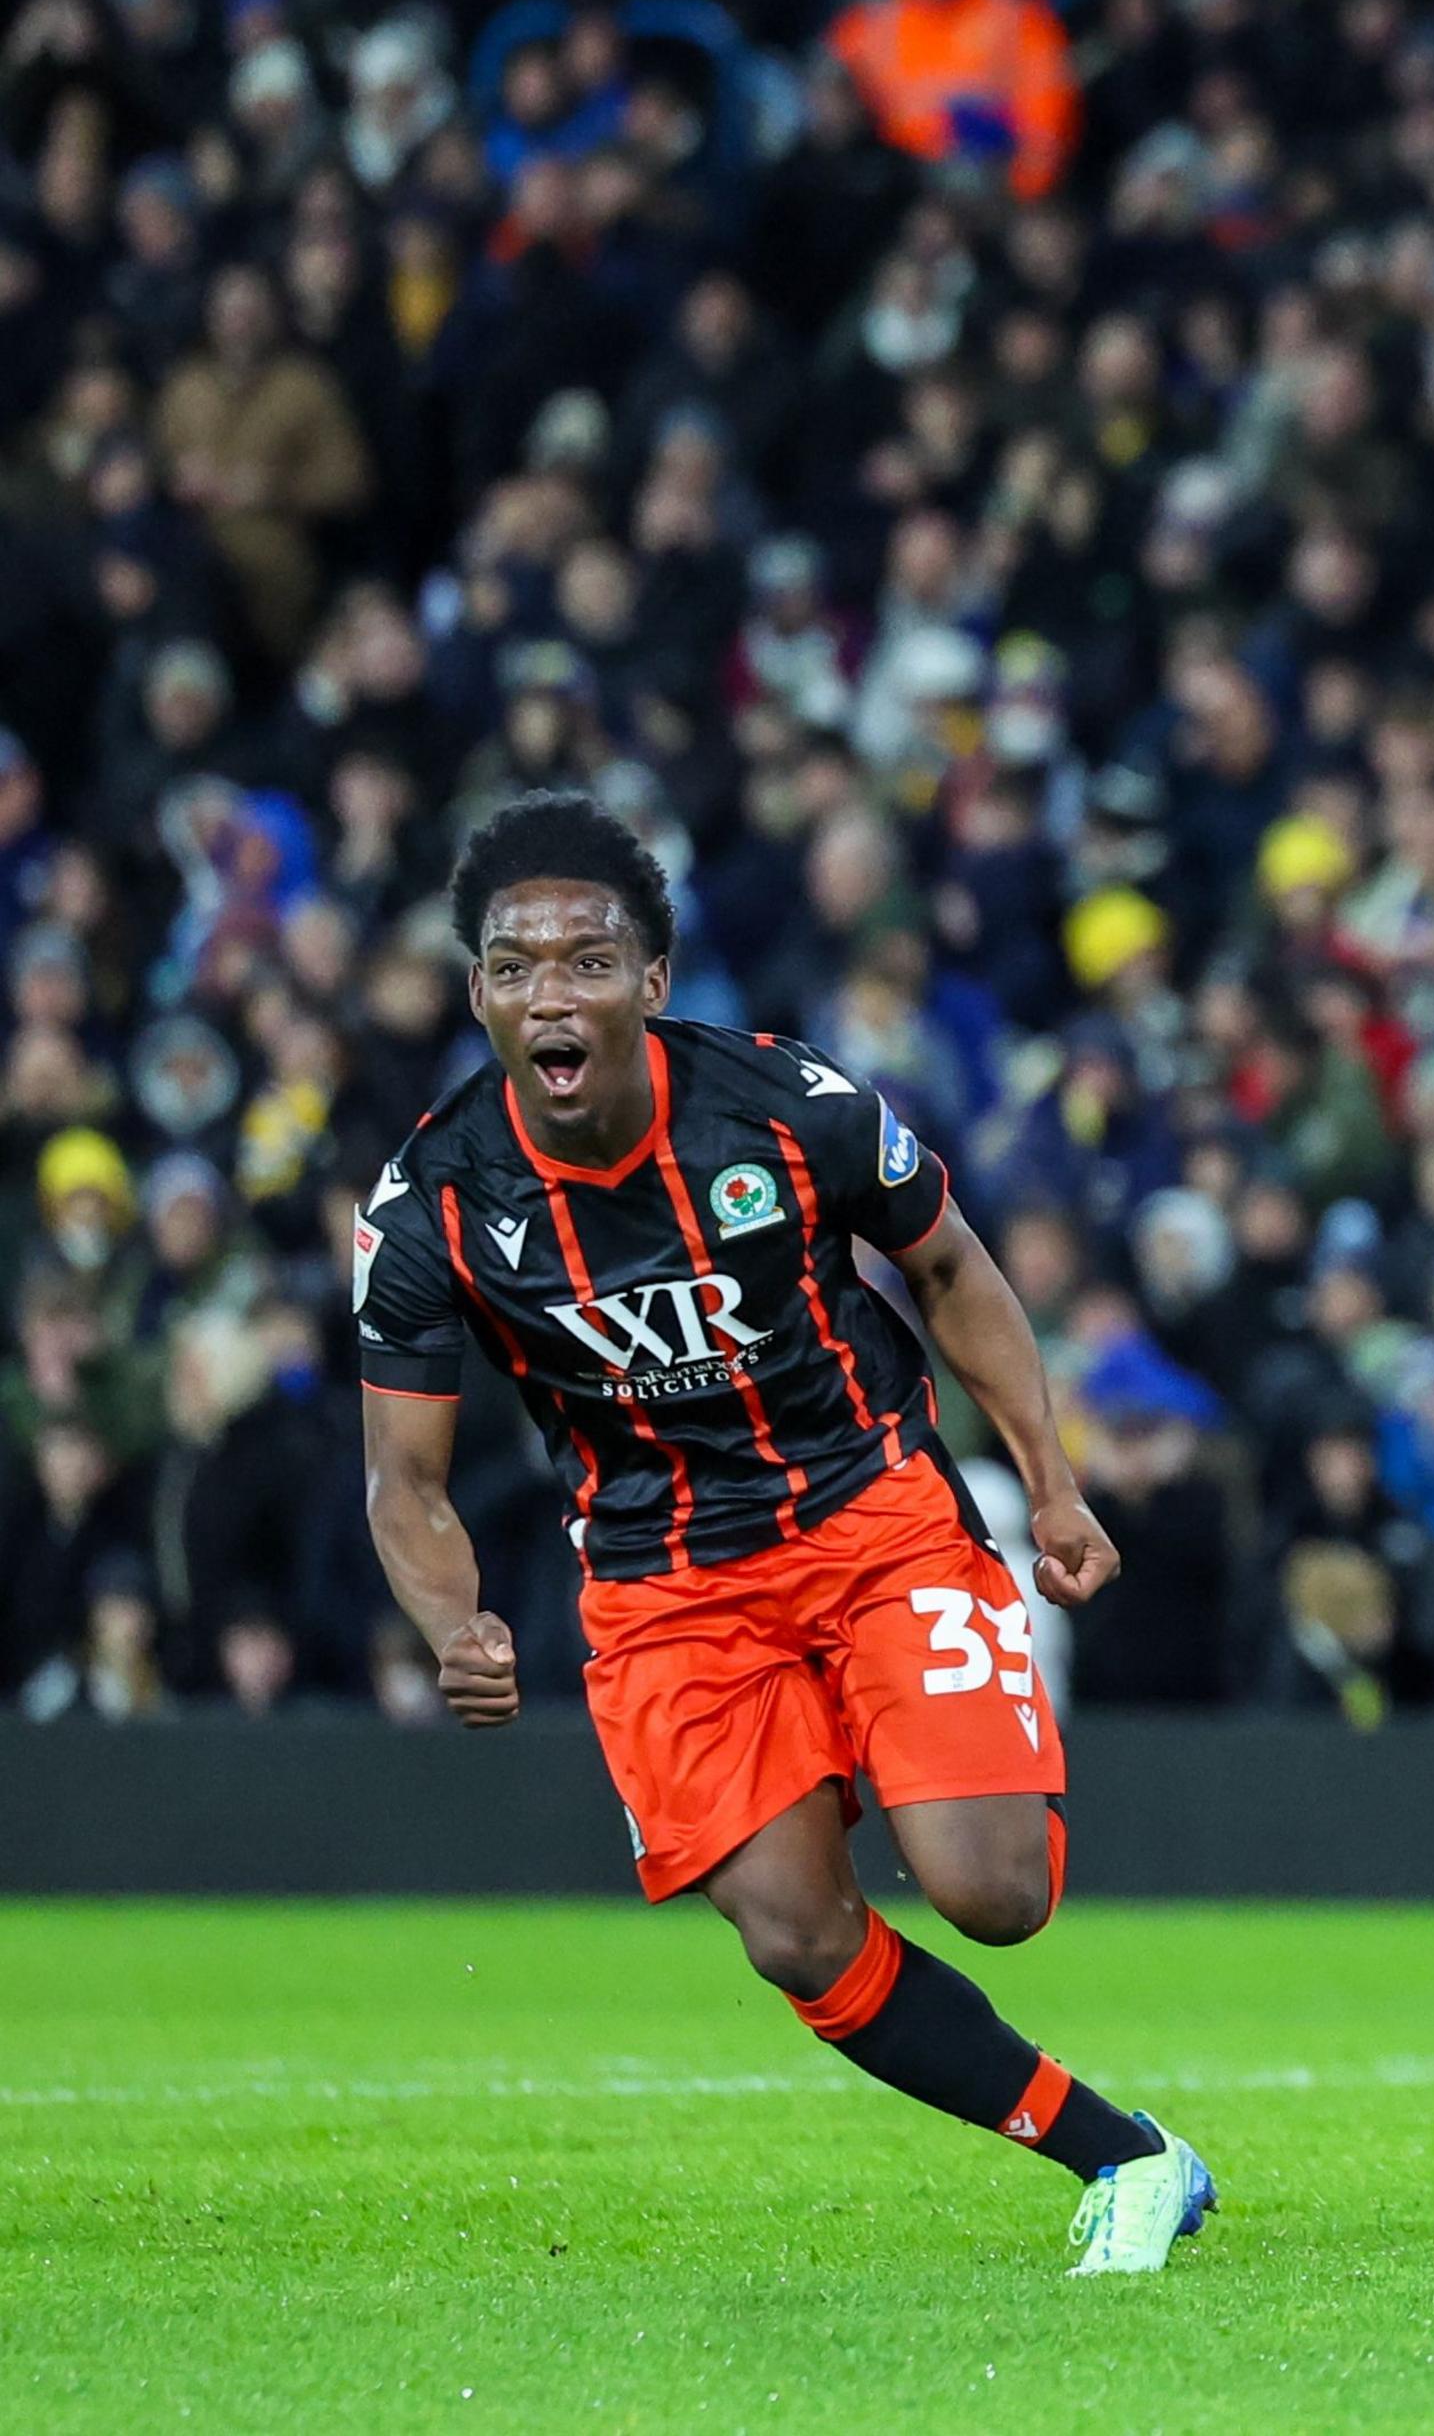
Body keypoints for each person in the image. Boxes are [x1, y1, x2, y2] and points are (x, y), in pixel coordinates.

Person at [353, 794, 1213, 2275]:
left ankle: (899, 1734)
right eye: (515, 966)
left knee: (995, 1894)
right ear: (481, 992)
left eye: (587, 959)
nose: (552, 991)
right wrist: (453, 1623)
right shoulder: (431, 1206)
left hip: (869, 1516)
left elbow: (948, 1269)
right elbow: (403, 1481)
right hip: (662, 1588)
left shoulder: (786, 1107)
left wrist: (1051, 1481)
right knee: (798, 1937)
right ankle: (1127, 2159)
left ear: (652, 982)